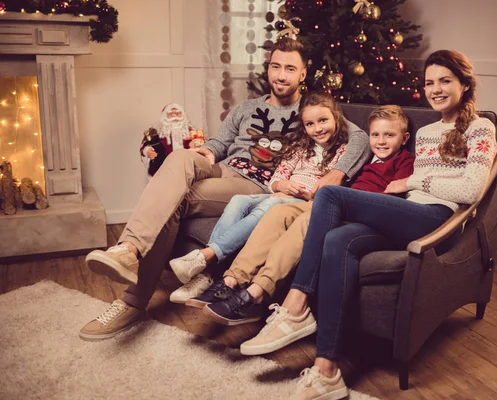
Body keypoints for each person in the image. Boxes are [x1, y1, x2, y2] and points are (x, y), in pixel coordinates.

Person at [241, 50, 497, 400]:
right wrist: (409, 190)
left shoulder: (480, 127)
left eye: (445, 81)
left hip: (440, 220)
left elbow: (471, 190)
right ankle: (326, 371)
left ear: (465, 84)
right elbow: (421, 180)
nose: (435, 89)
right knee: (339, 239)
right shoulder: (427, 133)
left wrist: (411, 183)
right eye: (429, 83)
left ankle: (296, 304)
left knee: (330, 196)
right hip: (408, 213)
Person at [79, 38, 371, 341]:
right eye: (275, 67)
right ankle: (127, 250)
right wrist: (204, 153)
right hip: (224, 168)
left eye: (289, 68)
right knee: (180, 157)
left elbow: (359, 137)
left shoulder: (311, 111)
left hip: (254, 183)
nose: (281, 75)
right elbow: (220, 143)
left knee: (175, 201)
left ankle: (132, 299)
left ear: (302, 74)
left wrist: (337, 172)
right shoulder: (247, 107)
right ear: (268, 69)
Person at [185, 105, 414, 328]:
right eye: (376, 134)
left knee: (307, 221)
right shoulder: (365, 158)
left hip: (357, 212)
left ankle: (254, 295)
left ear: (403, 139)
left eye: (389, 135)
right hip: (332, 203)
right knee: (279, 211)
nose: (381, 141)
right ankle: (231, 279)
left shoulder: (403, 161)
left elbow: (396, 194)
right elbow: (355, 147)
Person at [167, 91, 350, 305]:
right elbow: (276, 178)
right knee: (238, 201)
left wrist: (306, 193)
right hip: (282, 194)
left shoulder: (345, 153)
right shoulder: (301, 148)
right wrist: (283, 185)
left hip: (303, 203)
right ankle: (208, 272)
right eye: (310, 124)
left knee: (272, 204)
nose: (317, 128)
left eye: (323, 121)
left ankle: (206, 261)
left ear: (336, 118)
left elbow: (336, 190)